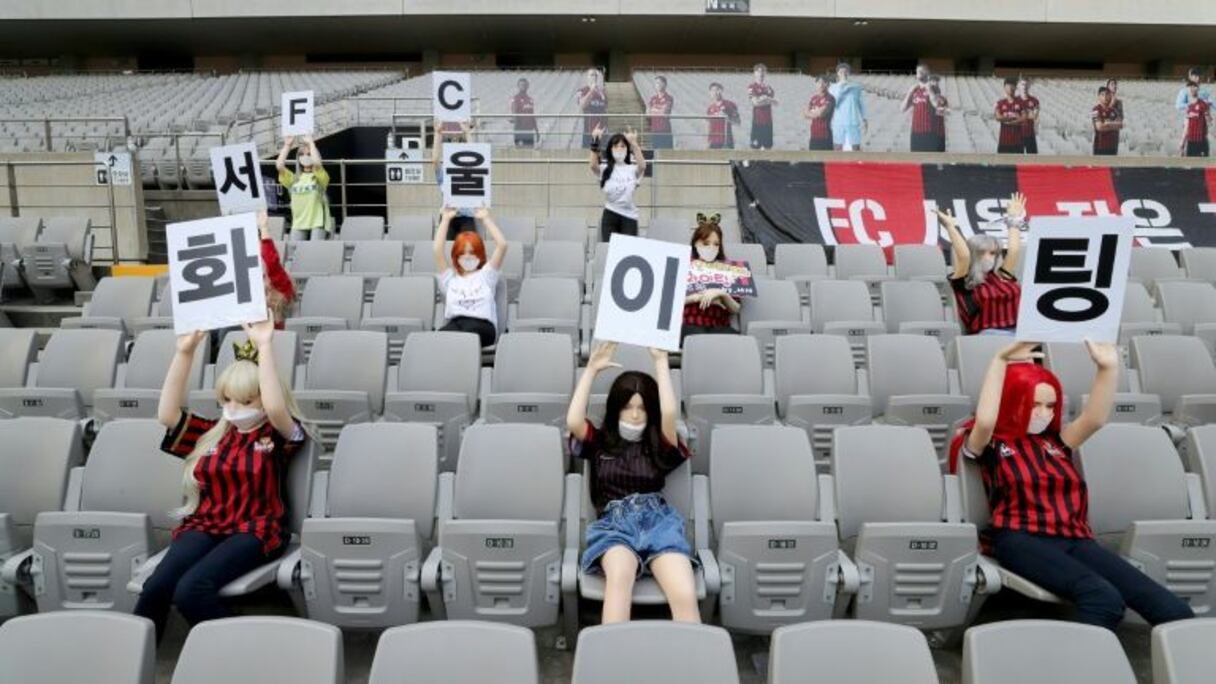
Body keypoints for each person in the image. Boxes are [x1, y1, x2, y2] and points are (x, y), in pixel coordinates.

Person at [949, 340, 1195, 632]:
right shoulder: (991, 443)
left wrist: (1108, 367)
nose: (1044, 412)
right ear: (1013, 400)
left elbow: (1095, 418)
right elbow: (987, 419)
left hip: (1075, 539)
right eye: (1035, 404)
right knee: (1103, 598)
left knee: (1174, 609)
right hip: (1021, 538)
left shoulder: (1056, 444)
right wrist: (1000, 361)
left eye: (1050, 405)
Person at [135, 317, 310, 642]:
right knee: (156, 587)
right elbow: (167, 414)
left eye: (246, 401)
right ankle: (133, 662)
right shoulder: (212, 434)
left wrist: (266, 346)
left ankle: (237, 659)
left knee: (191, 590)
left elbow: (274, 405)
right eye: (227, 399)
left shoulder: (278, 433)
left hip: (255, 530)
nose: (234, 408)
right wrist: (185, 353)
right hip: (205, 525)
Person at [567, 341, 699, 624]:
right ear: (617, 408)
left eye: (642, 408)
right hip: (615, 525)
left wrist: (662, 364)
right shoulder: (600, 442)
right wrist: (590, 370)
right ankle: (612, 661)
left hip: (659, 523)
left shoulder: (659, 444)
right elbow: (573, 420)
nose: (635, 414)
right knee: (619, 580)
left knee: (684, 592)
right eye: (628, 407)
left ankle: (694, 662)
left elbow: (669, 414)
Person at [937, 192, 1027, 335]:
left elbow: (1014, 251)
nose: (988, 257)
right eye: (981, 252)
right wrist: (950, 227)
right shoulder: (965, 280)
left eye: (992, 253)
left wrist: (1014, 219)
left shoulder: (1002, 275)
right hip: (987, 334)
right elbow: (964, 256)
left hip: (1019, 331)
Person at [433, 206, 507, 348]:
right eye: (462, 253)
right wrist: (446, 219)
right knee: (435, 340)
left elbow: (502, 245)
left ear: (479, 254)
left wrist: (486, 219)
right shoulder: (451, 279)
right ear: (456, 256)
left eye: (472, 252)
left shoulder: (487, 275)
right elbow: (437, 250)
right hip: (456, 324)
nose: (467, 256)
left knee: (460, 338)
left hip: (482, 325)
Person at [682, 214, 741, 343]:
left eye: (716, 244)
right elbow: (671, 303)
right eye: (706, 243)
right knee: (698, 338)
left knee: (737, 340)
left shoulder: (728, 269)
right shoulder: (683, 265)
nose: (711, 248)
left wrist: (721, 293)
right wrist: (695, 297)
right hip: (690, 325)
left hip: (719, 326)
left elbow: (736, 308)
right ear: (695, 243)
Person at [589, 125, 645, 241]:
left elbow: (642, 166)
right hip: (610, 214)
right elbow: (593, 165)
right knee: (610, 250)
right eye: (616, 146)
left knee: (627, 252)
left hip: (629, 216)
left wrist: (634, 144)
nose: (619, 149)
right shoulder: (605, 169)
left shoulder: (632, 169)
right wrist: (595, 141)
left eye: (622, 146)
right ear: (611, 149)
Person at [275, 135, 330, 241]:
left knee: (315, 251)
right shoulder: (294, 179)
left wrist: (311, 143)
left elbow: (317, 163)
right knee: (295, 252)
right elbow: (279, 165)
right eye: (301, 154)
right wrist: (287, 145)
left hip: (317, 221)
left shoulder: (319, 176)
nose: (305, 156)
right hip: (298, 222)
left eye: (309, 154)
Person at [430, 118, 478, 238]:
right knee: (445, 248)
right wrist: (437, 133)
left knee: (469, 248)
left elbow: (475, 157)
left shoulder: (469, 172)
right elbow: (435, 160)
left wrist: (467, 133)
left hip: (467, 216)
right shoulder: (444, 173)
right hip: (448, 215)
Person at [257, 209, 294, 329]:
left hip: (273, 337)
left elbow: (270, 260)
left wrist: (263, 228)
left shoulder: (279, 284)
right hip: (252, 340)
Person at [829, 62, 867, 151]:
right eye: (841, 72)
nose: (843, 74)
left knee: (855, 147)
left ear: (849, 73)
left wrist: (864, 119)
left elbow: (861, 104)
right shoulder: (832, 88)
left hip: (853, 121)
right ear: (837, 74)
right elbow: (834, 103)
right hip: (838, 122)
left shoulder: (856, 87)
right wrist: (841, 87)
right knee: (837, 147)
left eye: (846, 71)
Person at [903, 64, 937, 152]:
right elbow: (902, 109)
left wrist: (929, 90)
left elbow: (937, 105)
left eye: (921, 71)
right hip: (915, 131)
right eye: (917, 71)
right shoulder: (914, 90)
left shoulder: (934, 88)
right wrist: (909, 92)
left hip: (929, 130)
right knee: (915, 159)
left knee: (929, 160)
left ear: (927, 73)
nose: (918, 72)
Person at [748, 63, 778, 150]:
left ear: (765, 73)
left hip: (768, 122)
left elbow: (776, 103)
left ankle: (766, 163)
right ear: (754, 73)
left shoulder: (769, 88)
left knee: (767, 147)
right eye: (758, 71)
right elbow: (755, 103)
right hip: (757, 121)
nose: (761, 73)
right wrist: (768, 100)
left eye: (763, 71)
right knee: (755, 148)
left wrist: (764, 99)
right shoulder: (752, 86)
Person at [577, 69, 608, 149]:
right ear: (587, 77)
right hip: (588, 129)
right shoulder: (583, 90)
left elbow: (605, 108)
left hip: (602, 130)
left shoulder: (602, 92)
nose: (594, 77)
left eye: (595, 75)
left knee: (602, 153)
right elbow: (582, 105)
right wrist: (591, 91)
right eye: (591, 75)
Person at [1180, 80, 1211, 158]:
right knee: (1190, 167)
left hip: (1201, 141)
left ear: (1198, 88)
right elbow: (1186, 127)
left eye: (1194, 86)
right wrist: (1182, 143)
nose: (1192, 88)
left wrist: (1207, 115)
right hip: (1190, 142)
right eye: (1190, 86)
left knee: (1201, 167)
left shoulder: (1203, 104)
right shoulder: (1188, 107)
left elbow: (1209, 123)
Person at [804, 74, 836, 150]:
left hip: (825, 135)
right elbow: (805, 114)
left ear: (828, 84)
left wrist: (812, 112)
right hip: (814, 134)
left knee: (825, 160)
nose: (821, 84)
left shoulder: (830, 98)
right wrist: (816, 112)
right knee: (813, 160)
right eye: (819, 82)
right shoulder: (813, 98)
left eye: (824, 82)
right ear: (816, 84)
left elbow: (822, 113)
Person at [994, 78, 1024, 154]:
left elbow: (1024, 117)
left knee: (1018, 164)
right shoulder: (1000, 103)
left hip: (1018, 142)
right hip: (1004, 142)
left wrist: (1009, 120)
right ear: (1004, 87)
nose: (1010, 88)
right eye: (1008, 86)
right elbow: (998, 117)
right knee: (1002, 165)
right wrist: (1013, 118)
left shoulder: (1021, 102)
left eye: (1012, 85)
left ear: (1016, 87)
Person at [706, 82, 740, 150]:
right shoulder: (710, 108)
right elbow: (708, 125)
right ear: (710, 93)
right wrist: (708, 141)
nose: (715, 93)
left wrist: (727, 118)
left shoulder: (730, 105)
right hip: (713, 141)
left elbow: (738, 122)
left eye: (717, 90)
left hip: (726, 141)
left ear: (721, 91)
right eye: (713, 90)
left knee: (728, 160)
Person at [1092, 86, 1122, 156]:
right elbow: (1099, 127)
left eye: (1107, 94)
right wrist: (1113, 125)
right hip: (1100, 147)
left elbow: (1120, 125)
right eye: (1102, 94)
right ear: (1098, 96)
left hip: (1113, 146)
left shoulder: (1114, 110)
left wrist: (1107, 123)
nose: (1105, 97)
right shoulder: (1095, 110)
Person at [648, 75, 675, 150]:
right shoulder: (652, 98)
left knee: (666, 153)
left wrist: (654, 109)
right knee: (655, 153)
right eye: (656, 83)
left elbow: (665, 112)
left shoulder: (669, 98)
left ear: (665, 84)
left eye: (660, 83)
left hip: (664, 130)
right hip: (654, 130)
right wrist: (659, 109)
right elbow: (648, 112)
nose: (658, 85)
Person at [510, 77, 539, 149]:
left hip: (529, 130)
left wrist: (537, 131)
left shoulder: (530, 99)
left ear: (527, 86)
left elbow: (532, 115)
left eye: (525, 85)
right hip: (520, 130)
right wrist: (517, 131)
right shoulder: (515, 98)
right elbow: (514, 113)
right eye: (521, 85)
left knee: (529, 152)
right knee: (520, 152)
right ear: (518, 86)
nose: (523, 86)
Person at [1016, 77, 1040, 154]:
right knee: (1017, 160)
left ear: (1029, 86)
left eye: (1026, 85)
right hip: (1017, 135)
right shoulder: (1014, 100)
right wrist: (1028, 112)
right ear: (1018, 86)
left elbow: (1034, 116)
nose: (1024, 87)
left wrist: (1021, 114)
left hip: (1030, 134)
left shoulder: (1034, 101)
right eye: (1022, 84)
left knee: (1033, 159)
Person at [928, 75, 949, 152]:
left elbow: (941, 107)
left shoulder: (938, 90)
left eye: (937, 81)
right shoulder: (929, 89)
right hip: (929, 116)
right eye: (934, 81)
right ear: (930, 81)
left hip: (936, 117)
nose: (936, 82)